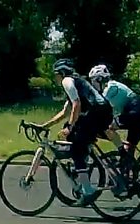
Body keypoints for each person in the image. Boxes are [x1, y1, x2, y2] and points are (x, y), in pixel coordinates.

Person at [40, 58, 113, 206]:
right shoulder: (76, 81)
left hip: (96, 113)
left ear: (61, 72)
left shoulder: (67, 81)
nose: (55, 78)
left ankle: (88, 190)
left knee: (76, 148)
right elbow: (65, 111)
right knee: (77, 139)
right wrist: (45, 126)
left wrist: (69, 126)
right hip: (103, 111)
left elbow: (76, 105)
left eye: (56, 74)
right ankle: (82, 168)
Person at [88, 64, 140, 157]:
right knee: (129, 147)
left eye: (93, 81)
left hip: (134, 111)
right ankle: (130, 167)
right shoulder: (112, 86)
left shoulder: (111, 87)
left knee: (109, 128)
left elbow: (99, 106)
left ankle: (121, 152)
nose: (92, 84)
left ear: (99, 79)